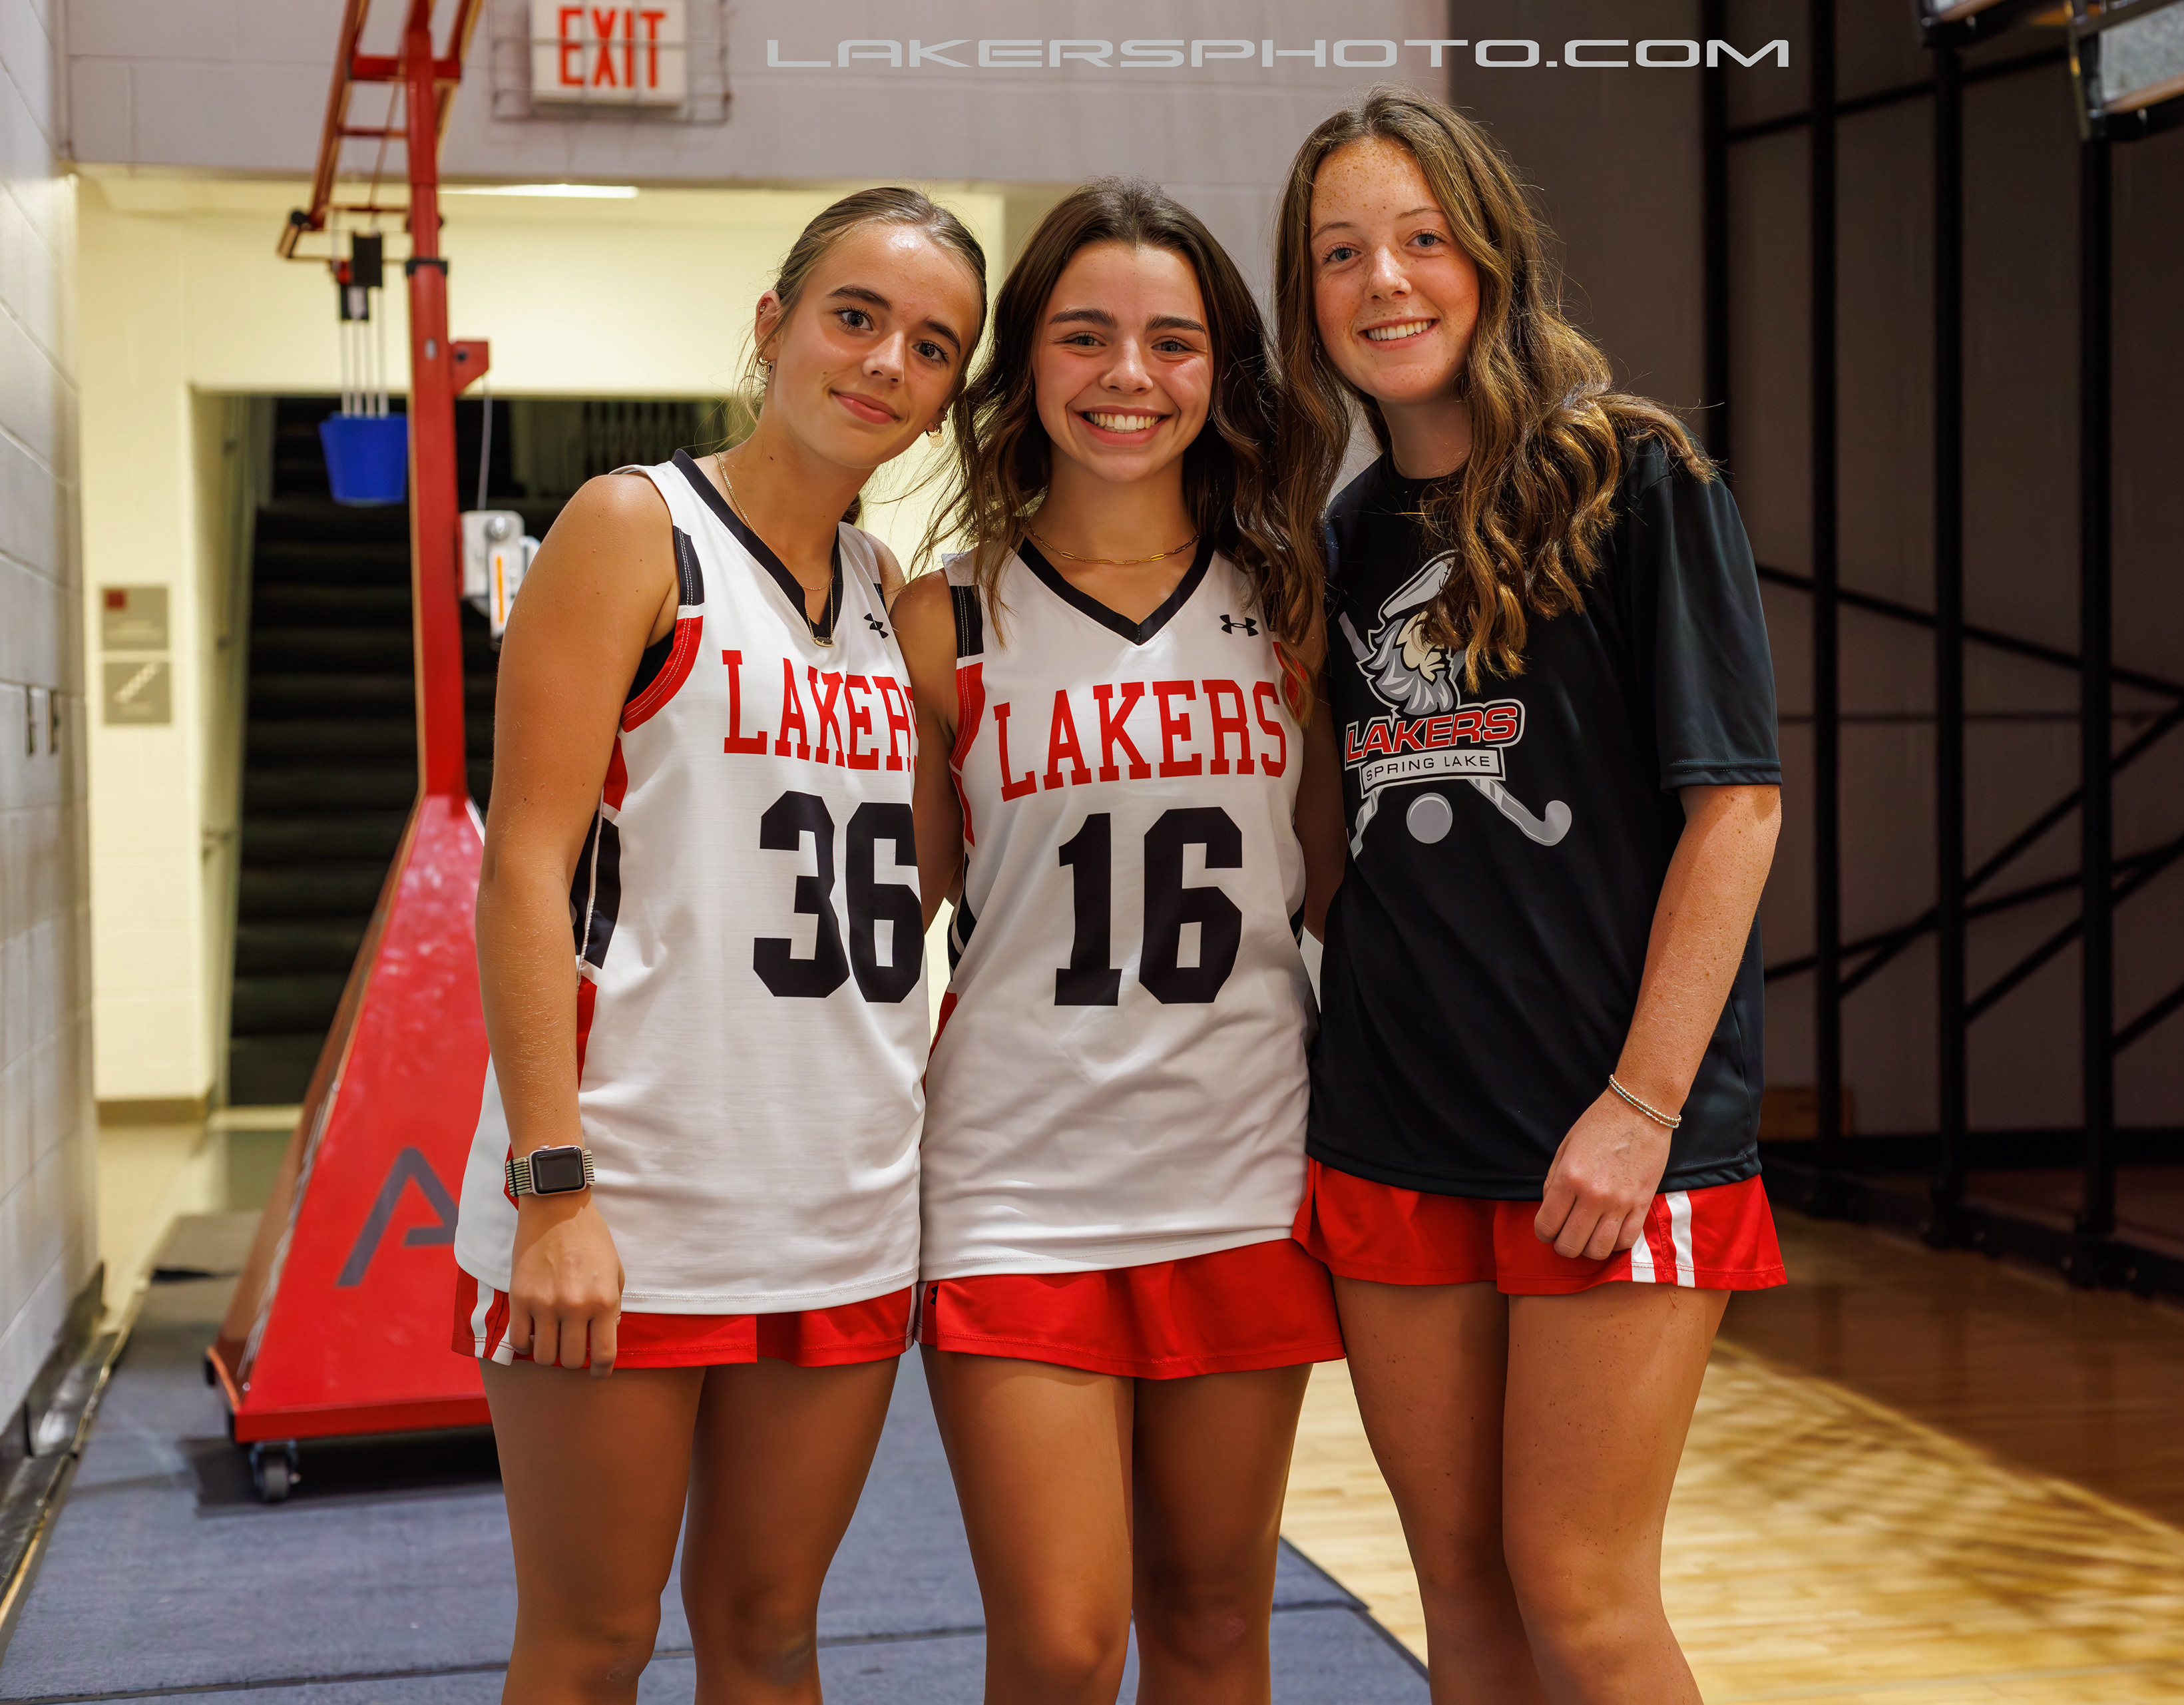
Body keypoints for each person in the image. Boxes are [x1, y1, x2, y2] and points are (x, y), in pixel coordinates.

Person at [1272, 91, 1790, 1704]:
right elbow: (1335, 857)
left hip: (1610, 1130)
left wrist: (1641, 1109)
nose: (1384, 280)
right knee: (1464, 1589)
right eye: (1340, 252)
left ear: (1491, 257)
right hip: (1398, 1127)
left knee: (1583, 1593)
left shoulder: (1633, 477)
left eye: (1421, 239)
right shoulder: (1346, 538)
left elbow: (1738, 811)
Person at [449, 188, 984, 1705]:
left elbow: (905, 889)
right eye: (855, 317)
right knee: (594, 1643)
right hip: (630, 1191)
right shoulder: (636, 527)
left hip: (840, 1199)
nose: (885, 363)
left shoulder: (890, 596)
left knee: (771, 1634)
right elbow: (525, 869)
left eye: (930, 346)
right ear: (774, 325)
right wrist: (553, 1187)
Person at [893, 178, 1345, 1704]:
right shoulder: (945, 622)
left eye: (1174, 341)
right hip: (1016, 1185)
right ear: (1025, 360)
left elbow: (1338, 895)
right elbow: (897, 925)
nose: (1128, 375)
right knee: (1064, 1644)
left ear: (1224, 372)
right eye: (1085, 336)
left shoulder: (1290, 609)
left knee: (1214, 1627)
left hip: (1242, 1172)